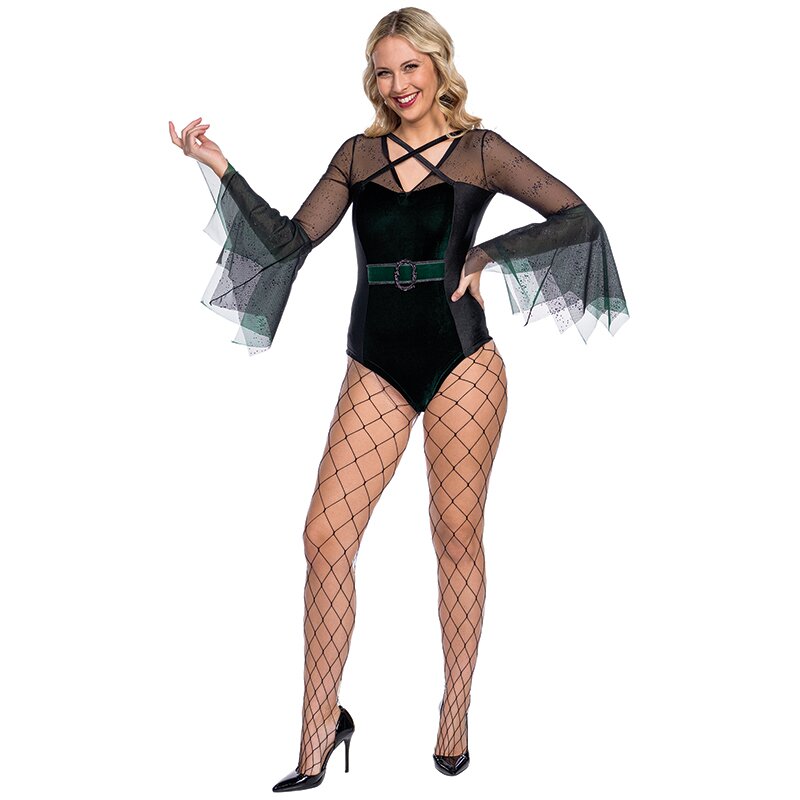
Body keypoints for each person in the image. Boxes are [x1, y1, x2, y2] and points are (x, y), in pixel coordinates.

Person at [169, 6, 629, 792]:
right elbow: (288, 243)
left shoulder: (481, 150)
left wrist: (487, 254)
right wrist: (219, 166)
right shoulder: (358, 155)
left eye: (410, 66)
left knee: (455, 536)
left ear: (438, 66)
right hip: (375, 361)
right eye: (384, 72)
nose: (398, 84)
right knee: (324, 537)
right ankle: (319, 726)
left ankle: (455, 711)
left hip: (463, 361)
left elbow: (576, 218)